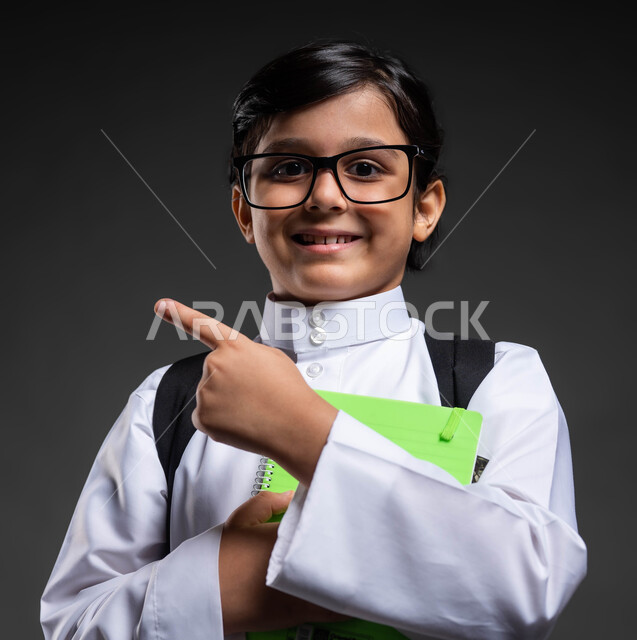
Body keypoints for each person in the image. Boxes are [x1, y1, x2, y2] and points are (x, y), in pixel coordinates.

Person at [40, 39, 587, 639]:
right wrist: (234, 576)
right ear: (245, 212)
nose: (325, 195)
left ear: (424, 208)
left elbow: (527, 588)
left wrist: (299, 427)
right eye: (287, 167)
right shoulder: (167, 400)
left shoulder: (497, 378)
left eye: (367, 167)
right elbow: (74, 624)